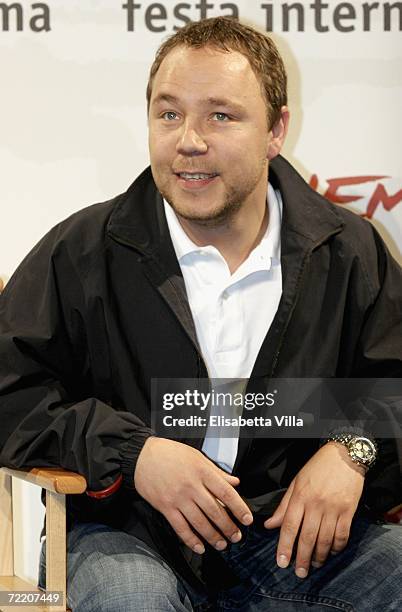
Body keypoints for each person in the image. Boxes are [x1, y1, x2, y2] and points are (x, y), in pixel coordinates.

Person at [0, 16, 401, 612]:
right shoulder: (82, 250)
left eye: (221, 114)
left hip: (291, 540)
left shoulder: (348, 249)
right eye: (168, 114)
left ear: (275, 130)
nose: (189, 139)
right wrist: (134, 456)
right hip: (128, 534)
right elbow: (12, 391)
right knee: (132, 601)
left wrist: (352, 449)